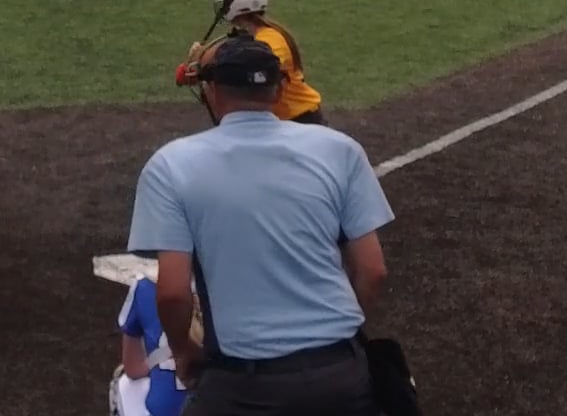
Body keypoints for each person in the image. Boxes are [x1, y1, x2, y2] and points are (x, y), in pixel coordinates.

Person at [128, 36, 394, 416]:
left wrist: (184, 350)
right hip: (342, 376)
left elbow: (172, 294)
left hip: (243, 386)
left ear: (212, 91)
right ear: (279, 89)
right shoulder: (341, 149)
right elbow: (373, 270)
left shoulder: (170, 165)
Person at [183, 0, 324, 124]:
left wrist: (202, 63)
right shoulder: (245, 37)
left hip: (300, 121)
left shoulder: (270, 39)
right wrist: (198, 61)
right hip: (277, 121)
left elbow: (253, 67)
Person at [110, 273, 183, 416]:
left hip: (162, 409)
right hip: (218, 402)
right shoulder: (224, 294)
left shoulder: (144, 286)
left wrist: (157, 361)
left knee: (126, 385)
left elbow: (133, 369)